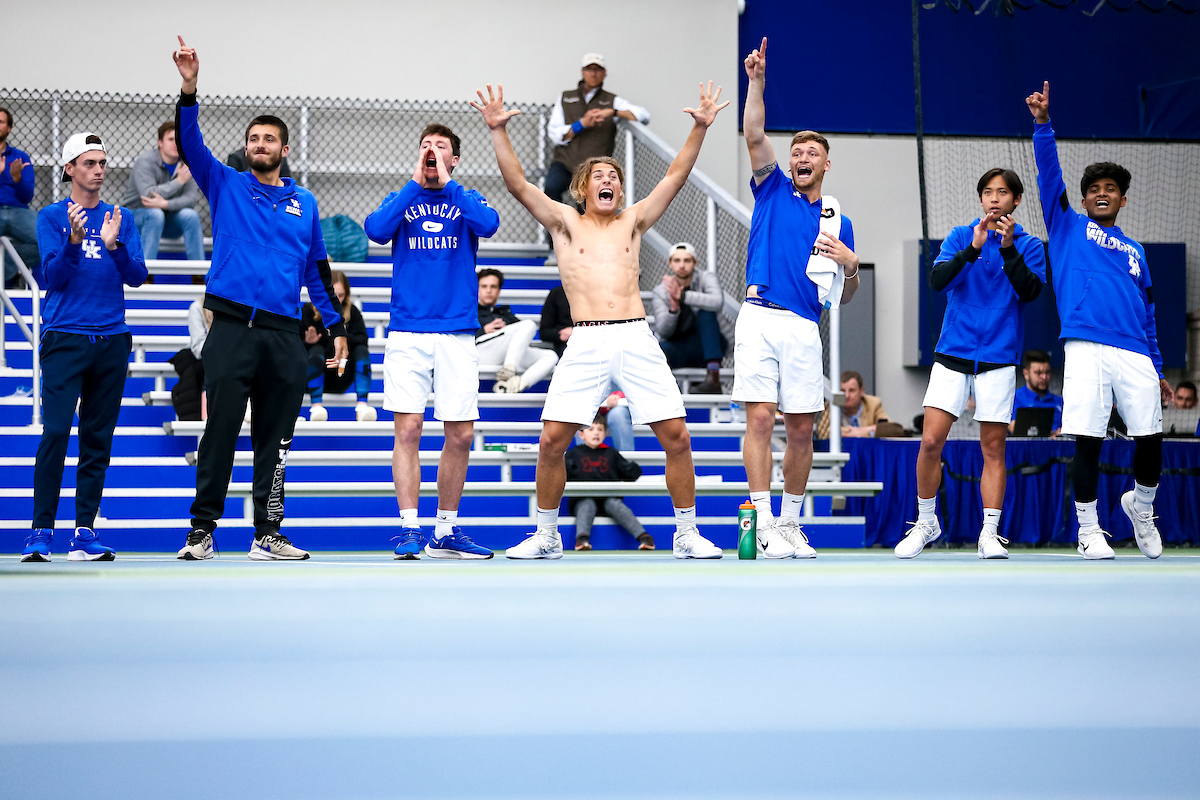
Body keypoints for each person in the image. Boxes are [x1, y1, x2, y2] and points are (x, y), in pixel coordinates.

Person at [473, 79, 728, 560]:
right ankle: (547, 535)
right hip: (585, 340)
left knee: (677, 436)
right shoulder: (564, 222)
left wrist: (699, 129)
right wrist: (497, 131)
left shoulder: (632, 220)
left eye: (614, 174)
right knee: (552, 441)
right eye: (600, 175)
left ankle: (687, 533)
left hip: (635, 335)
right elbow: (518, 185)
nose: (609, 179)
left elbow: (674, 177)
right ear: (583, 188)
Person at [172, 36, 348, 562]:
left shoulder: (306, 203)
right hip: (231, 330)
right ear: (246, 148)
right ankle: (202, 532)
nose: (261, 144)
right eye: (253, 138)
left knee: (277, 443)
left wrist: (336, 327)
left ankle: (267, 533)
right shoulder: (224, 183)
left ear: (284, 148)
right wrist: (189, 88)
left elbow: (318, 271)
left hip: (283, 335)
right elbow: (189, 143)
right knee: (220, 434)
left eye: (269, 138)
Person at [1026, 80, 1172, 560]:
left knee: (1150, 438)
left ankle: (1141, 507)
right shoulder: (1068, 226)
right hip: (1085, 345)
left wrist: (1157, 365)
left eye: (1111, 189)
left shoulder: (1136, 251)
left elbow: (1148, 314)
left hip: (1134, 351)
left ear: (1122, 200)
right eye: (1094, 190)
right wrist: (1043, 126)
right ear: (1085, 201)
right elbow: (1049, 176)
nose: (1102, 194)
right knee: (1088, 439)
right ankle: (1088, 530)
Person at [738, 37, 860, 559]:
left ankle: (791, 523)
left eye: (813, 154)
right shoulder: (771, 188)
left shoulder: (838, 219)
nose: (802, 157)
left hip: (806, 326)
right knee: (761, 418)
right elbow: (753, 131)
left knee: (803, 427)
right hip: (760, 316)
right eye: (797, 152)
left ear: (826, 166)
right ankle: (763, 522)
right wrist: (757, 81)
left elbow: (845, 297)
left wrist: (851, 265)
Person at [364, 123, 500, 560]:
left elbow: (490, 224)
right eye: (426, 146)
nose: (432, 151)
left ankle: (445, 531)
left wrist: (448, 181)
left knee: (460, 435)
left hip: (457, 331)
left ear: (454, 158)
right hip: (408, 331)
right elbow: (376, 230)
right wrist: (414, 183)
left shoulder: (465, 198)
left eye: (441, 148)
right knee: (409, 429)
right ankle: (408, 528)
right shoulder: (402, 198)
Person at [894, 169, 1046, 560]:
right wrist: (974, 248)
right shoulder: (962, 236)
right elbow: (938, 281)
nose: (995, 199)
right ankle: (926, 521)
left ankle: (990, 533)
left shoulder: (1028, 245)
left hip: (998, 359)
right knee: (930, 442)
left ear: (1015, 200)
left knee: (993, 448)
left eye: (1003, 193)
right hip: (952, 354)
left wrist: (1009, 248)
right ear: (981, 200)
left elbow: (1030, 291)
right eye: (988, 193)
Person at [22, 132, 148, 562]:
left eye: (102, 162)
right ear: (69, 169)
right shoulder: (51, 217)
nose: (99, 169)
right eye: (90, 162)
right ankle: (40, 531)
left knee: (98, 439)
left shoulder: (121, 217)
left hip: (112, 340)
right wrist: (75, 242)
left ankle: (84, 532)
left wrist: (114, 247)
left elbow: (136, 276)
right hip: (65, 338)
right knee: (56, 432)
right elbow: (53, 278)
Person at [544, 53, 650, 204]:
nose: (593, 73)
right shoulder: (566, 97)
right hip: (565, 162)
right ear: (582, 71)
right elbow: (554, 133)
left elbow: (644, 116)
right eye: (589, 69)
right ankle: (556, 228)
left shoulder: (611, 100)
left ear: (604, 73)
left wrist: (613, 112)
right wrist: (582, 124)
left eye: (598, 69)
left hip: (594, 168)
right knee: (551, 190)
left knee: (588, 207)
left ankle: (581, 227)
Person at [565, 414, 653, 551]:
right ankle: (581, 539)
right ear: (581, 435)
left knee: (616, 505)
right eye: (591, 429)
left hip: (608, 498)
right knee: (586, 505)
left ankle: (644, 537)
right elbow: (563, 473)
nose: (596, 433)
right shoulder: (573, 454)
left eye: (600, 429)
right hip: (582, 498)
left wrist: (633, 468)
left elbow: (629, 472)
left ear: (605, 433)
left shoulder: (611, 453)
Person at [122, 121, 205, 263]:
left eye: (178, 140)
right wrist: (179, 181)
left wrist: (165, 204)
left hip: (166, 221)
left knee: (190, 216)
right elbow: (149, 195)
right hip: (137, 219)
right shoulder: (145, 161)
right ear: (160, 142)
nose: (175, 144)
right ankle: (145, 274)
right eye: (171, 139)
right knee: (155, 214)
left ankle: (200, 276)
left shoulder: (187, 165)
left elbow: (190, 200)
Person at [650, 241, 727, 393]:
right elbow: (664, 332)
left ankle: (713, 378)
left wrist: (683, 296)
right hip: (680, 348)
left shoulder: (706, 278)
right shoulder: (661, 291)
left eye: (687, 260)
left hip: (709, 346)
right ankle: (663, 394)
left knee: (707, 312)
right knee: (658, 350)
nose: (682, 265)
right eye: (677, 261)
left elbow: (717, 301)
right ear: (670, 263)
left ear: (695, 263)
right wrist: (673, 308)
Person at [302, 270, 375, 422]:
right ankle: (316, 407)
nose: (336, 300)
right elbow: (294, 346)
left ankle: (362, 406)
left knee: (361, 351)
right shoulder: (308, 311)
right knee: (316, 350)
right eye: (333, 294)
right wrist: (308, 342)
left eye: (341, 296)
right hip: (312, 376)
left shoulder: (352, 312)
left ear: (347, 295)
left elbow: (362, 340)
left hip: (341, 375)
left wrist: (338, 338)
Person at [476, 268, 558, 393]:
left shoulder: (504, 314)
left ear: (499, 290)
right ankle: (508, 372)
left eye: (493, 286)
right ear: (477, 288)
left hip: (504, 357)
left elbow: (522, 340)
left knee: (550, 356)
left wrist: (506, 332)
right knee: (529, 324)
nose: (489, 290)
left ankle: (514, 386)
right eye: (484, 286)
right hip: (480, 352)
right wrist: (484, 330)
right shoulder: (469, 312)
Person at [0, 107, 39, 287]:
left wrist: (17, 179)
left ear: (9, 128)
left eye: (1, 122)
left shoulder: (20, 157)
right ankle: (12, 270)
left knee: (47, 239)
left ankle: (9, 267)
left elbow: (26, 197)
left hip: (17, 210)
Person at [816, 371, 891, 440]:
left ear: (861, 391)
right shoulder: (832, 405)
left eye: (852, 390)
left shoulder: (873, 403)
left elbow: (891, 429)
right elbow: (823, 433)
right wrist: (861, 431)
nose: (847, 396)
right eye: (843, 391)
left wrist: (862, 432)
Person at [1010, 349, 1063, 435]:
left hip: (1058, 448)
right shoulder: (1014, 399)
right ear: (1026, 374)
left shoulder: (1060, 402)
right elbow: (1016, 430)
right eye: (1038, 373)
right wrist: (1052, 434)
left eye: (1047, 372)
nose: (1044, 377)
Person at [539, 283, 573, 359]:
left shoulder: (596, 293)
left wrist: (575, 332)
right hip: (565, 345)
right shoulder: (557, 294)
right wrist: (560, 336)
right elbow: (544, 332)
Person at [226, 147, 292, 178]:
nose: (261, 144)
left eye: (269, 140)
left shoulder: (279, 157)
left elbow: (286, 180)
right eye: (254, 139)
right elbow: (234, 185)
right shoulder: (236, 157)